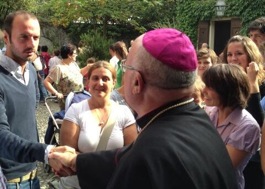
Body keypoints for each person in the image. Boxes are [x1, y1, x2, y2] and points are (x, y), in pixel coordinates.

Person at [49, 28, 237, 189]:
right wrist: (77, 162)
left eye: (126, 66)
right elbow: (125, 156)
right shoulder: (198, 120)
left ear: (137, 82)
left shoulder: (150, 153)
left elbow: (139, 159)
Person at [0, 10, 61, 189]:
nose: (31, 44)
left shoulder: (32, 71)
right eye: (23, 37)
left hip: (33, 174)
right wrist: (45, 152)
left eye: (35, 37)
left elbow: (29, 112)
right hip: (8, 179)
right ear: (6, 38)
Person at [58, 61, 138, 188]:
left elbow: (131, 155)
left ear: (113, 83)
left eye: (105, 79)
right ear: (88, 82)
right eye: (95, 78)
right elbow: (67, 154)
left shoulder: (124, 113)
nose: (100, 83)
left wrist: (85, 161)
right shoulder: (76, 110)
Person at [202, 63, 260, 189]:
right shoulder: (209, 111)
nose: (203, 91)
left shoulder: (247, 127)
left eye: (210, 87)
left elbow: (220, 168)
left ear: (227, 90)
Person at [222, 34, 265, 189]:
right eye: (229, 54)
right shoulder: (226, 85)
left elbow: (257, 124)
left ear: (250, 56)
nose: (233, 59)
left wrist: (252, 84)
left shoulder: (262, 83)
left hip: (254, 161)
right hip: (228, 152)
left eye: (239, 54)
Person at [44, 43, 90, 110]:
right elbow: (46, 82)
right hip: (68, 101)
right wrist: (56, 93)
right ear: (69, 55)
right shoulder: (59, 68)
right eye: (75, 53)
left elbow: (79, 73)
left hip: (79, 98)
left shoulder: (74, 64)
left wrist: (88, 67)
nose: (76, 55)